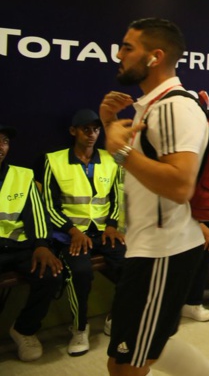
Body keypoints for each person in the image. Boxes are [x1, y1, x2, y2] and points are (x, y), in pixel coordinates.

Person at [99, 18, 209, 376]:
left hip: (162, 251)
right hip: (151, 247)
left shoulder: (173, 107)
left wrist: (121, 152)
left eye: (127, 47)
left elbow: (179, 184)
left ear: (155, 57)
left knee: (125, 364)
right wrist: (110, 124)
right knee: (148, 349)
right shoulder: (152, 105)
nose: (119, 55)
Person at [41, 109, 126, 356]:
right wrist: (72, 231)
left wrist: (112, 224)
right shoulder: (53, 160)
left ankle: (115, 317)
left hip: (103, 231)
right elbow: (48, 205)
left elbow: (118, 196)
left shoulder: (111, 159)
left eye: (96, 129)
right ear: (73, 131)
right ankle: (79, 328)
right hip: (70, 236)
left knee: (130, 265)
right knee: (80, 272)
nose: (92, 134)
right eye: (86, 129)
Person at [1, 124, 63, 362]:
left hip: (19, 246)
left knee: (51, 274)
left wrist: (41, 245)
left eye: (5, 141)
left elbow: (36, 214)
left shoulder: (22, 175)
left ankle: (24, 329)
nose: (1, 146)